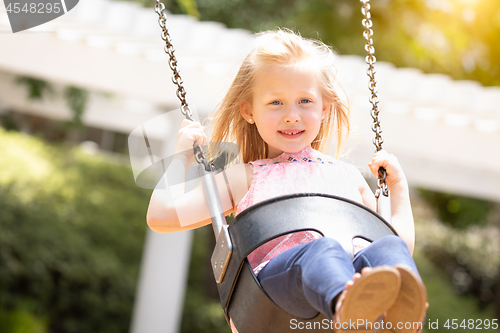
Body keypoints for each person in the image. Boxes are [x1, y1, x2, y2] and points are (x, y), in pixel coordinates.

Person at [147, 29, 428, 333]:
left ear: (324, 107)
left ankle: (401, 310)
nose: (292, 115)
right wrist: (181, 158)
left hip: (349, 278)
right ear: (248, 110)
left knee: (387, 250)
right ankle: (347, 305)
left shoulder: (347, 177)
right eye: (276, 103)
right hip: (275, 293)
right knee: (323, 250)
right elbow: (161, 216)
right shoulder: (246, 177)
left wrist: (398, 189)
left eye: (305, 100)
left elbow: (397, 243)